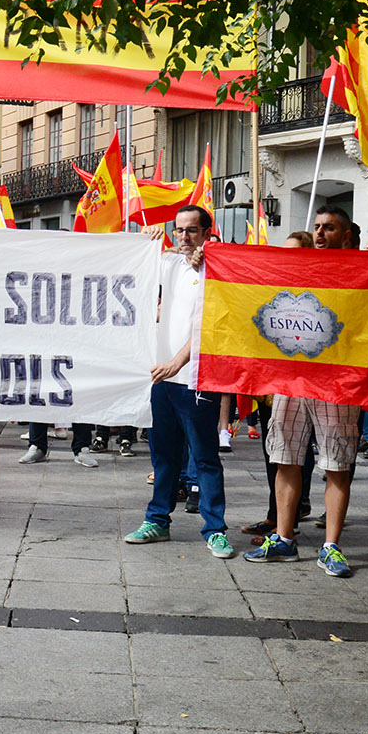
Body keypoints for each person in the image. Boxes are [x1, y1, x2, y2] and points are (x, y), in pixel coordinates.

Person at [246, 205, 366, 576]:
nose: (319, 233)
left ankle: (331, 547)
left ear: (345, 236)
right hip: (291, 378)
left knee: (336, 463)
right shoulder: (298, 267)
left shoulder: (362, 272)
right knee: (285, 456)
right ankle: (284, 538)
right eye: (315, 226)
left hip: (337, 382)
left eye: (328, 228)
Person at [125, 203, 232, 556]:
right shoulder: (167, 260)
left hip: (195, 377)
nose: (183, 237)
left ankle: (214, 529)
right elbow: (124, 265)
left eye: (191, 231)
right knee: (163, 456)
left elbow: (208, 326)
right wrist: (144, 239)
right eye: (178, 230)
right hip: (161, 378)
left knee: (204, 457)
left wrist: (176, 362)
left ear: (206, 233)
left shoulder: (216, 268)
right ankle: (157, 520)